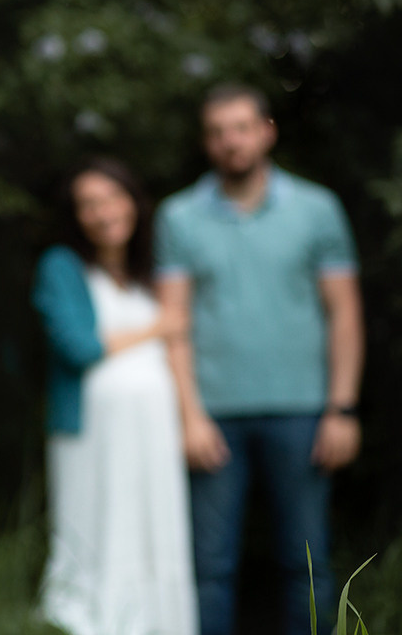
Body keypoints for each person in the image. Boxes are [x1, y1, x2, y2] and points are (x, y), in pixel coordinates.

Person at [155, 83, 364, 635]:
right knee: (211, 569)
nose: (231, 142)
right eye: (218, 132)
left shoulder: (317, 209)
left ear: (266, 131)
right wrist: (189, 416)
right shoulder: (178, 217)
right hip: (213, 416)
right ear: (207, 143)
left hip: (305, 411)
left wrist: (342, 408)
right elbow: (173, 326)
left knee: (307, 563)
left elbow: (344, 313)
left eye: (242, 128)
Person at [31, 156, 197, 635]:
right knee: (100, 526)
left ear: (133, 202)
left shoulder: (150, 271)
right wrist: (158, 327)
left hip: (154, 434)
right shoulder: (62, 266)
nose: (104, 212)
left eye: (112, 198)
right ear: (76, 216)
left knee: (153, 528)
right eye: (89, 204)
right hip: (93, 435)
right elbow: (78, 347)